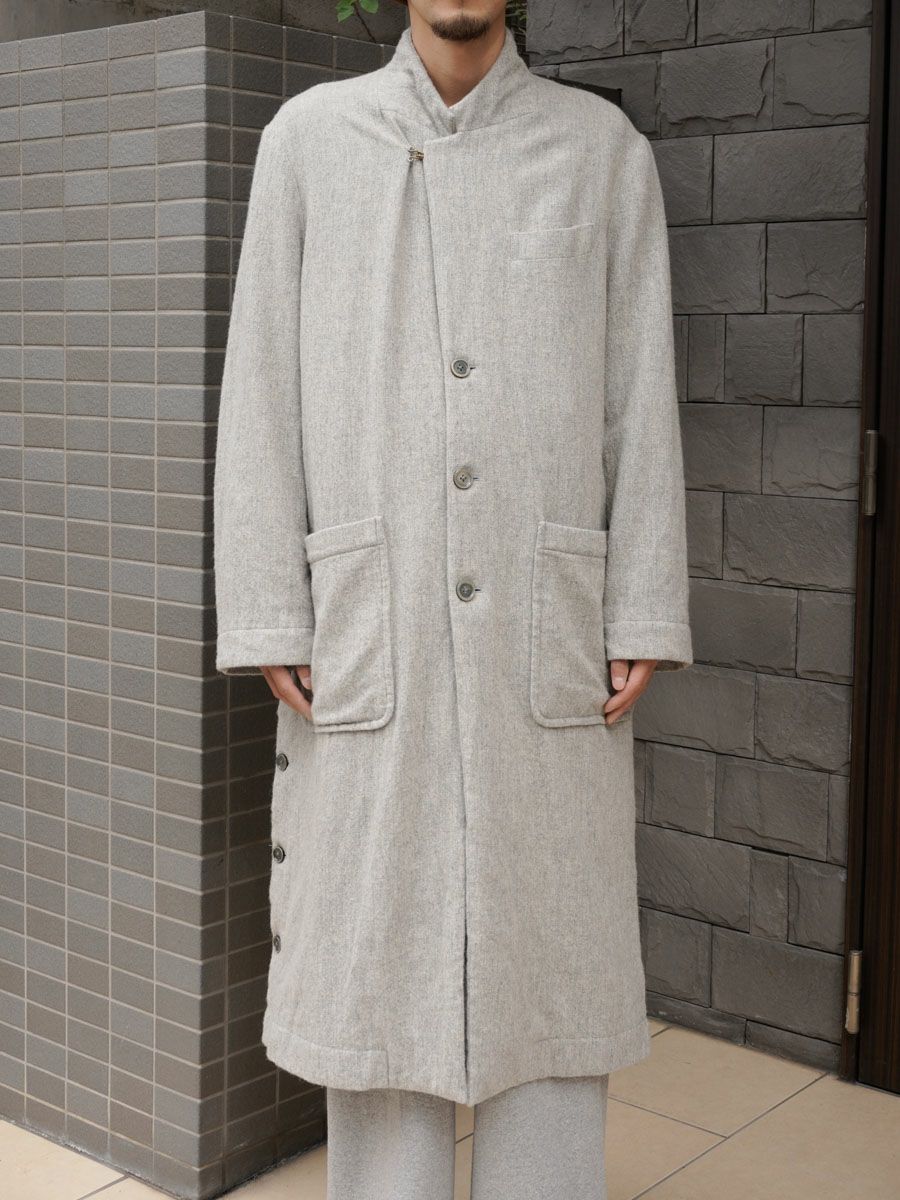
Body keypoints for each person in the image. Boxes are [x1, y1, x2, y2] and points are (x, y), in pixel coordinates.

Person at [212, 1, 693, 1196]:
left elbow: (640, 389)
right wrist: (272, 604)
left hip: (547, 631)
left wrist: (641, 600)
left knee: (552, 973)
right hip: (369, 629)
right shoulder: (308, 142)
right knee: (382, 972)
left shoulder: (601, 154)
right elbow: (260, 379)